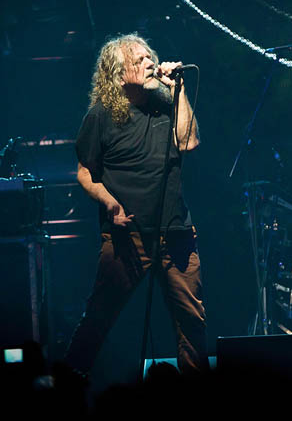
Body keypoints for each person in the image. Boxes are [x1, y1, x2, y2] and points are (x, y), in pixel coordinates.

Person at [62, 33, 208, 379]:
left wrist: (178, 90)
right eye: (139, 59)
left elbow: (188, 143)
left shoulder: (166, 105)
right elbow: (85, 173)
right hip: (127, 236)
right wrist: (110, 203)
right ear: (117, 71)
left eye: (149, 57)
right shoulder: (100, 116)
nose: (149, 62)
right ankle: (66, 385)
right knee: (99, 316)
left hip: (175, 231)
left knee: (192, 321)